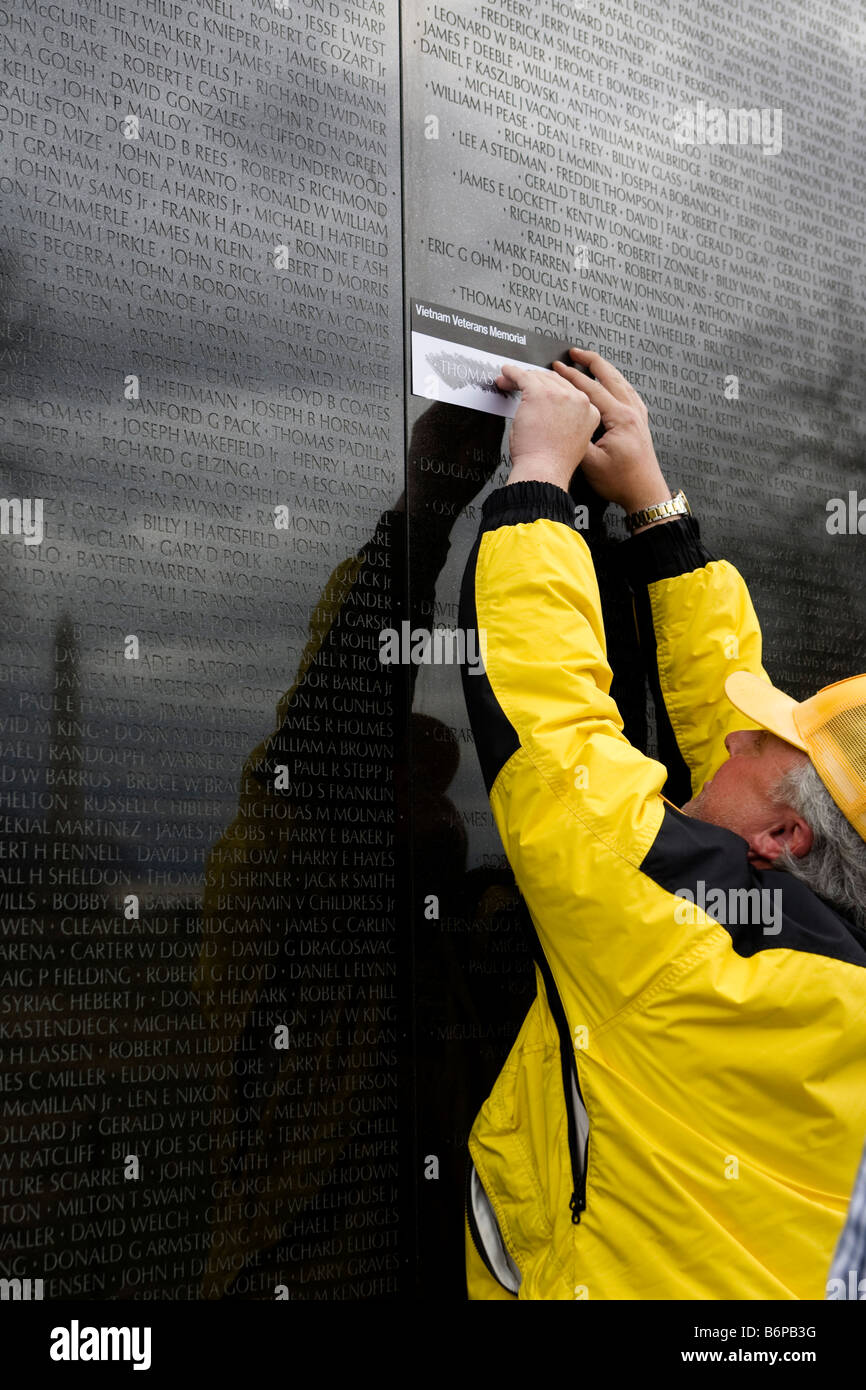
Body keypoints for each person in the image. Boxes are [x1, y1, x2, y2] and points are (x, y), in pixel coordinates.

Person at [458, 350, 866, 1300]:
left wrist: (536, 485)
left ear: (781, 842)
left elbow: (553, 740)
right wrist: (656, 516)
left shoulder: (693, 956)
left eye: (763, 743)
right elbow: (733, 714)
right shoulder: (819, 954)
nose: (732, 738)